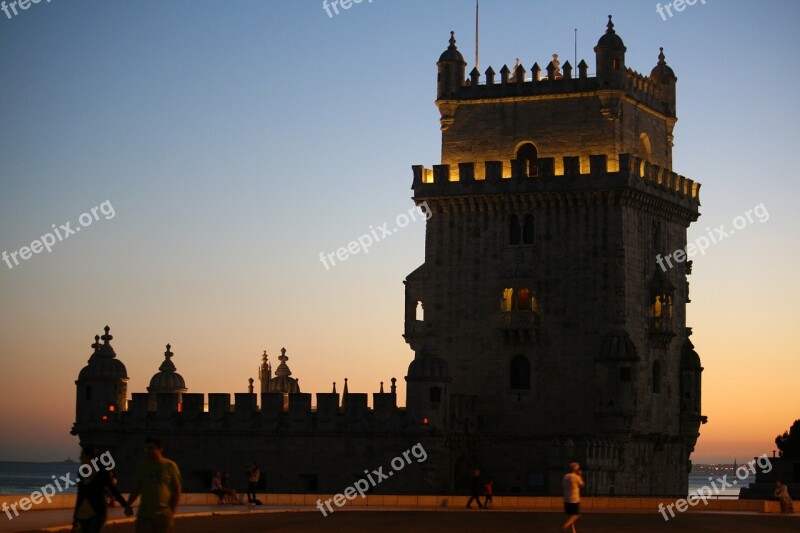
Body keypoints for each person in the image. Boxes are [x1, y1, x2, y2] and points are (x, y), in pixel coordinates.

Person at [125, 438, 182, 533]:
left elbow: (177, 488)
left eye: (152, 448)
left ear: (160, 449)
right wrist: (128, 504)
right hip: (144, 514)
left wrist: (173, 509)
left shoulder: (170, 465)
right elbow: (136, 489)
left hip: (163, 514)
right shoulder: (142, 467)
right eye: (146, 448)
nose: (148, 451)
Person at [72, 446, 132, 533]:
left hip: (97, 512)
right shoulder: (81, 473)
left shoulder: (102, 472)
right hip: (83, 514)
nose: (80, 458)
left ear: (90, 457)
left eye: (82, 456)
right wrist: (75, 517)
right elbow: (80, 495)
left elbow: (113, 490)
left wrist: (125, 505)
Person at [562, 462, 585, 533]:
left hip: (566, 498)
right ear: (576, 469)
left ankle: (573, 530)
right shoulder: (576, 477)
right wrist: (580, 475)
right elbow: (582, 485)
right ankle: (565, 526)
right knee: (576, 515)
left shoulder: (565, 476)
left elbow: (563, 485)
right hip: (574, 499)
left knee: (570, 515)